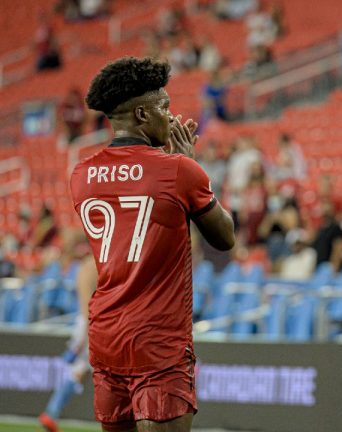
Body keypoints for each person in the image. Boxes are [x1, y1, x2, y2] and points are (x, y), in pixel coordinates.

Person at [70, 57, 235, 431]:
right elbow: (225, 237)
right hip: (158, 341)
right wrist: (193, 169)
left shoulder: (81, 175)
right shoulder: (179, 170)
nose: (172, 116)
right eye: (164, 106)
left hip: (106, 335)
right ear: (143, 115)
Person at [38, 256, 97, 432]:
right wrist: (83, 338)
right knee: (90, 371)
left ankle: (51, 413)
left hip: (86, 321)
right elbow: (87, 306)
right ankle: (51, 412)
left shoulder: (85, 266)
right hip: (92, 323)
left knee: (80, 370)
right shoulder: (91, 267)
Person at [312, 199, 342, 272]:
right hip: (319, 268)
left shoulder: (336, 228)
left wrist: (334, 267)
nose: (325, 212)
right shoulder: (321, 229)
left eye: (327, 210)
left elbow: (338, 247)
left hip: (328, 268)